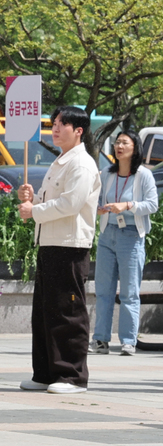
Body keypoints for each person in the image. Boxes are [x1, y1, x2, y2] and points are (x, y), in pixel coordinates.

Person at [17, 106, 101, 394]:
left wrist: (35, 210)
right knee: (44, 312)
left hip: (69, 245)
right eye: (53, 123)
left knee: (68, 311)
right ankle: (45, 372)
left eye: (61, 124)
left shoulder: (82, 164)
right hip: (50, 243)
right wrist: (31, 198)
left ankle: (72, 376)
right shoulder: (62, 160)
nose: (54, 129)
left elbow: (70, 205)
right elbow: (49, 199)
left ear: (78, 130)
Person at [91, 130, 158, 356]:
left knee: (129, 292)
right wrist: (100, 209)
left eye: (124, 143)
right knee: (103, 290)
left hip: (131, 234)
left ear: (135, 148)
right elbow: (98, 200)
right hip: (107, 233)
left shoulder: (143, 175)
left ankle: (128, 340)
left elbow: (152, 205)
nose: (119, 146)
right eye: (117, 143)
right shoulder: (107, 174)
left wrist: (129, 205)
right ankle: (100, 339)